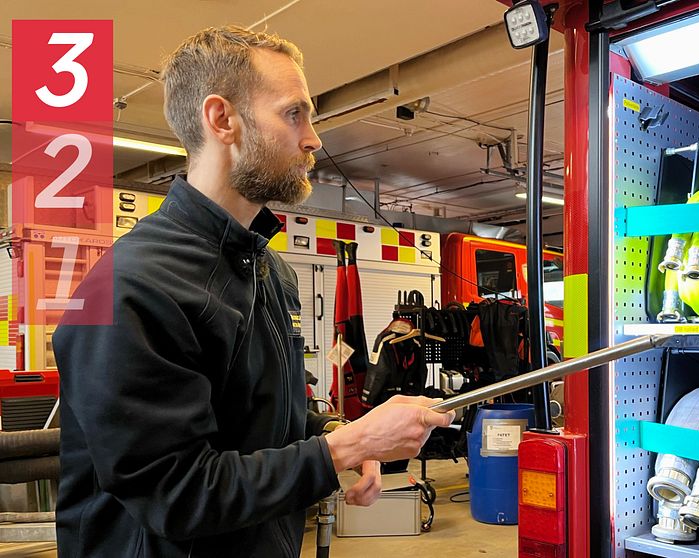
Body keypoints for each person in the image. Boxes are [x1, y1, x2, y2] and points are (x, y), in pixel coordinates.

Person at [52, 26, 454, 558]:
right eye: (294, 113)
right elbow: (175, 495)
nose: (313, 139)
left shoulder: (270, 269)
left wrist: (337, 430)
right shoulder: (130, 286)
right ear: (222, 120)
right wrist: (346, 446)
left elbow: (264, 419)